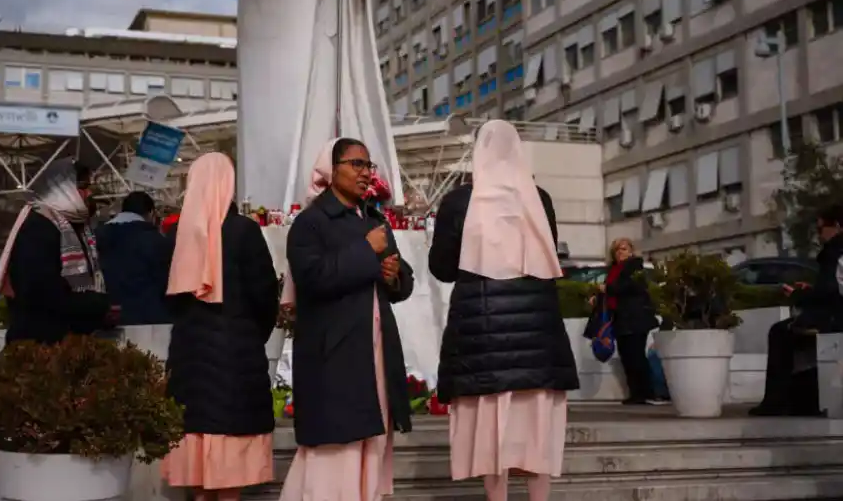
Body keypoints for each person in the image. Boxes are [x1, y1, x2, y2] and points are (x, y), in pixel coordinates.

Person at [428, 120, 579, 501]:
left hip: (481, 332)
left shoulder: (460, 201)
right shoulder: (539, 199)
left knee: (491, 426)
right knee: (536, 425)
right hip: (537, 332)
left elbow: (442, 267)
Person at [279, 138, 415, 501]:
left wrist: (393, 276)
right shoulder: (310, 223)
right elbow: (313, 278)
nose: (365, 173)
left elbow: (403, 282)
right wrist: (366, 251)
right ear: (332, 169)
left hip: (375, 349)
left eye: (368, 166)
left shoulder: (374, 219)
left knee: (371, 441)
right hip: (334, 353)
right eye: (356, 164)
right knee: (337, 450)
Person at [160, 153, 280, 501]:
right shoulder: (243, 231)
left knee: (197, 453)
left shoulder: (177, 234)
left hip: (189, 357)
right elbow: (264, 295)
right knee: (230, 473)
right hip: (236, 359)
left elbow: (168, 298)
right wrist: (252, 335)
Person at [0, 159, 114, 345]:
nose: (89, 194)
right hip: (40, 344)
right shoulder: (39, 226)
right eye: (83, 187)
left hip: (69, 341)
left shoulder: (76, 227)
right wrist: (98, 305)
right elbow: (41, 292)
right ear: (60, 188)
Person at [750, 204, 843, 417]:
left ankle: (776, 401)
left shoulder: (836, 251)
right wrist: (810, 290)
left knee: (780, 332)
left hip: (834, 320)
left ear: (837, 226)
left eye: (821, 229)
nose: (819, 235)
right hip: (834, 316)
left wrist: (798, 294)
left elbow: (829, 293)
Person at [585, 238, 663, 405]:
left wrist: (608, 289)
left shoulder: (635, 267)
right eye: (617, 250)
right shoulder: (613, 270)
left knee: (636, 356)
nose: (620, 252)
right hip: (620, 318)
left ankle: (646, 392)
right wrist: (599, 297)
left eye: (624, 249)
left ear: (631, 251)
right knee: (626, 356)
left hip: (635, 318)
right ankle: (635, 393)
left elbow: (628, 287)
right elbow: (611, 291)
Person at [96, 191, 174, 325]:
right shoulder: (155, 240)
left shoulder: (97, 236)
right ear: (151, 213)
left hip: (109, 316)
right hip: (150, 316)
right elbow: (166, 281)